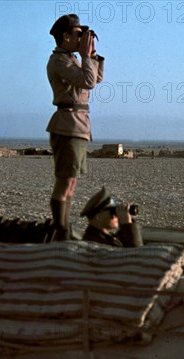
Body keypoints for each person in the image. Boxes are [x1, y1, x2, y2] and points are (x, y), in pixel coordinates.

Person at [46, 14, 105, 240]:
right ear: (65, 36)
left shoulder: (72, 59)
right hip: (67, 125)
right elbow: (87, 81)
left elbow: (96, 78)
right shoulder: (59, 61)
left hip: (78, 125)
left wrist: (91, 55)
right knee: (64, 181)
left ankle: (65, 229)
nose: (82, 39)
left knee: (71, 182)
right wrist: (84, 57)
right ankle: (60, 231)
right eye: (78, 34)